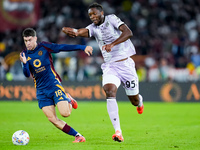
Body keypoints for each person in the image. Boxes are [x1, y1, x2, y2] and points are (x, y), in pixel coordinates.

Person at [62, 2, 144, 142]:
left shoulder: (111, 19)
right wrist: (73, 31)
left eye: (94, 13)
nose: (92, 17)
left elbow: (128, 32)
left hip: (125, 65)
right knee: (109, 91)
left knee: (134, 101)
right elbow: (82, 31)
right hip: (110, 66)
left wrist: (112, 44)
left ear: (101, 13)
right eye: (90, 15)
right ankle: (118, 131)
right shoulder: (93, 28)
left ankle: (140, 102)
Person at [19, 28, 93, 143]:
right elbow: (27, 74)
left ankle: (68, 98)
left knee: (65, 113)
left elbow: (62, 47)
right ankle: (78, 136)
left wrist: (82, 48)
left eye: (29, 40)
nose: (27, 43)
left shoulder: (44, 47)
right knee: (52, 119)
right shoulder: (24, 54)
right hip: (41, 90)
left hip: (53, 85)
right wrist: (24, 64)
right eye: (25, 41)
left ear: (35, 38)